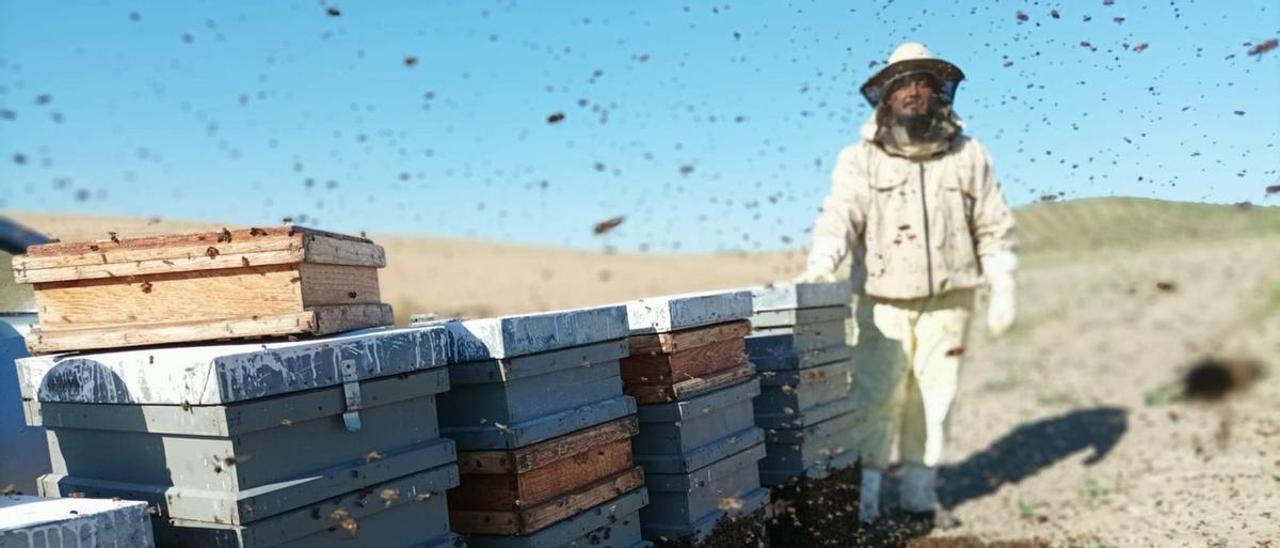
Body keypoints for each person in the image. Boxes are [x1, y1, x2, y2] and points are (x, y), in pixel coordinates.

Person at [796, 42, 1018, 527]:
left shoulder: (969, 154)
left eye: (925, 82)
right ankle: (864, 502)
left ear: (941, 93)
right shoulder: (860, 158)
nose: (915, 92)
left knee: (935, 399)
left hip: (951, 300)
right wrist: (821, 262)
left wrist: (1003, 283)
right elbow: (839, 217)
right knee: (875, 398)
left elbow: (993, 225)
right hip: (882, 302)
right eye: (904, 84)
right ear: (887, 96)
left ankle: (919, 499)